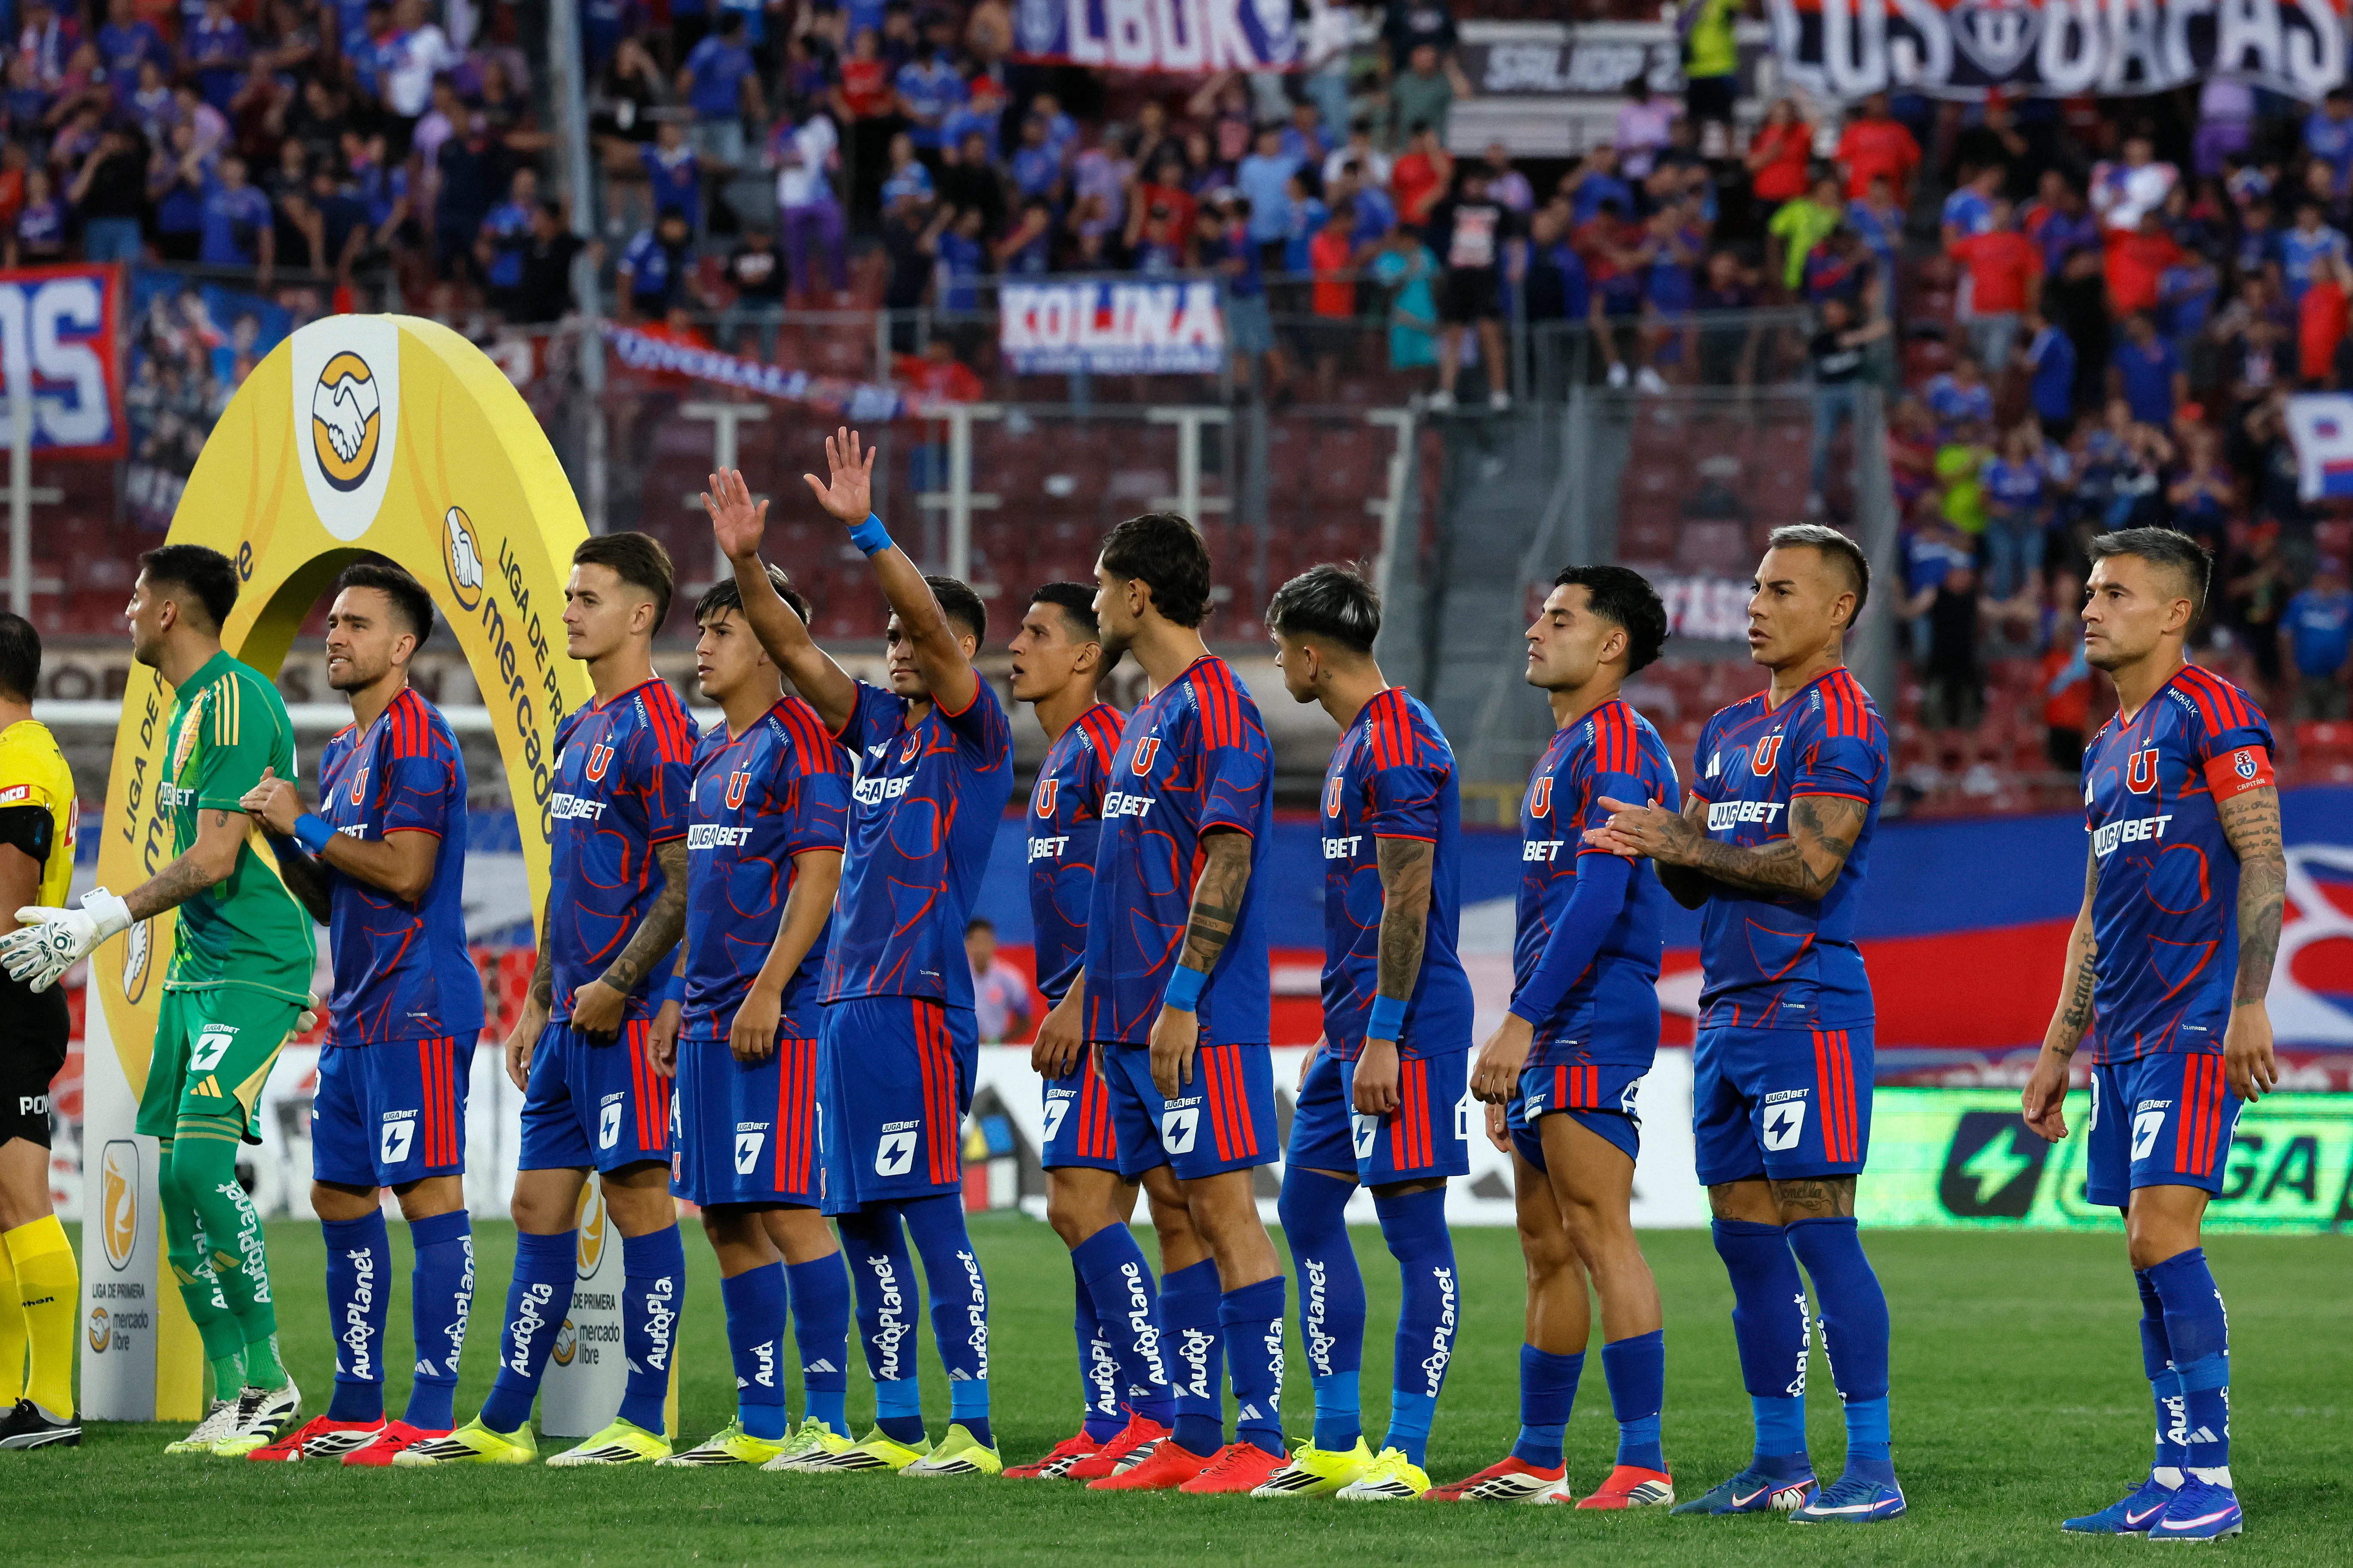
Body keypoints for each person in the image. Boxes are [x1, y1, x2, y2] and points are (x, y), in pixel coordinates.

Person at [701, 436, 1012, 1478]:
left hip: (918, 1003)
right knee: (862, 1223)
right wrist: (747, 561)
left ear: (957, 647)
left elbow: (923, 614)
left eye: (912, 636)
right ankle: (897, 1424)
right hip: (843, 1004)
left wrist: (868, 530)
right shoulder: (875, 727)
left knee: (927, 1214)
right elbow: (793, 650)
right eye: (886, 637)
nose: (896, 647)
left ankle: (972, 1427)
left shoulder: (974, 736)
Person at [1587, 525, 1902, 1524]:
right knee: (1744, 1244)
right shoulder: (1726, 728)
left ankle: (1871, 1468)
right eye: (1756, 588)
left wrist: (1686, 841)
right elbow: (1691, 880)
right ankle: (1777, 1461)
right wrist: (1656, 837)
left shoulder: (1842, 721)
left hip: (1806, 1003)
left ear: (1839, 609)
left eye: (1781, 590)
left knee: (1821, 1231)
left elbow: (1808, 867)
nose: (1756, 606)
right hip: (1724, 1009)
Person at [5, 546, 317, 1456]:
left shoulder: (235, 700)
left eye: (137, 597)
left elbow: (218, 858)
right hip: (197, 963)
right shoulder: (185, 709)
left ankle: (271, 1381)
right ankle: (230, 1392)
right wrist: (134, 918)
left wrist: (104, 918)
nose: (127, 612)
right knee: (174, 1187)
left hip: (255, 961)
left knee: (199, 1172)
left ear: (172, 610)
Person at [397, 534, 695, 1468]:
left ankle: (642, 1422)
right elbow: (566, 881)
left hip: (626, 1017)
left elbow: (685, 884)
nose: (568, 611)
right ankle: (503, 1423)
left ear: (640, 615)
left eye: (588, 598)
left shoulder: (662, 728)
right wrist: (537, 1000)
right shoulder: (579, 728)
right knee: (535, 1206)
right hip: (567, 1015)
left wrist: (619, 986)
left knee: (640, 1205)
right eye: (568, 596)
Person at [2021, 529, 2281, 1544]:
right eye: (2089, 591)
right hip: (2121, 1037)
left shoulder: (2210, 710)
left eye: (2115, 593)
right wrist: (2058, 1047)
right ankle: (2171, 1474)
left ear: (2175, 613)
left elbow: (2262, 859)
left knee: (2160, 1234)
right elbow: (2092, 913)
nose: (2089, 608)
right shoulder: (2103, 747)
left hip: (2193, 1017)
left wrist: (2249, 1002)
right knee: (2140, 1252)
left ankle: (2209, 1480)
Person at [1433, 566, 1677, 1507]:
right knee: (1544, 1244)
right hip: (1551, 1027)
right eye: (1540, 613)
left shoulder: (1615, 741)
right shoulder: (1568, 747)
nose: (1536, 629)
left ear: (1612, 644)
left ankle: (1643, 1465)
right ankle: (1538, 1461)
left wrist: (1522, 1022)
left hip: (1592, 1017)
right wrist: (1523, 1044)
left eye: (1561, 618)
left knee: (1599, 1231)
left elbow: (1603, 895)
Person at [233, 566, 480, 1465]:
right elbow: (335, 897)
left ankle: (433, 1415)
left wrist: (305, 824)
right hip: (359, 1007)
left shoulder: (419, 738)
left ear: (403, 646)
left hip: (420, 1001)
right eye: (333, 621)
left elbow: (408, 874)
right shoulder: (343, 749)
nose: (334, 635)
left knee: (427, 1196)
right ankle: (355, 1406)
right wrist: (281, 835)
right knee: (337, 1191)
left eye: (356, 623)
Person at [1077, 512, 1289, 1495]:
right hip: (1128, 1023)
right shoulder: (1150, 711)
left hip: (1195, 1019)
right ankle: (1195, 1433)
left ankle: (1263, 1436)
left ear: (1137, 594)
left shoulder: (1219, 708)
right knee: (1173, 1214)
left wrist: (1184, 997)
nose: (1092, 601)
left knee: (1224, 1211)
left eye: (1099, 584)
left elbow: (1228, 860)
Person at [1253, 566, 1472, 1503]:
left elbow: (1407, 899)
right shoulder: (1357, 742)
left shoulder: (1399, 740)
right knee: (1306, 1212)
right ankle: (1338, 1440)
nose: (1277, 666)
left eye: (1279, 651)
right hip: (1351, 1028)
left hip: (1408, 1027)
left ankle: (1406, 1452)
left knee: (1412, 1231)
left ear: (1311, 655)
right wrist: (1336, 1029)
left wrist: (1382, 1032)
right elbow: (1360, 909)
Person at [652, 569, 855, 1469]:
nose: (701, 646)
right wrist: (674, 992)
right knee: (725, 1217)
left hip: (779, 1017)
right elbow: (700, 891)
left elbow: (819, 876)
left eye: (722, 631)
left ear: (772, 646)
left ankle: (828, 1421)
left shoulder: (805, 741)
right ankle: (761, 1419)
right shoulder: (708, 754)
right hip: (705, 1017)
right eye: (701, 630)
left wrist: (769, 988)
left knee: (787, 1208)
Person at [1003, 584, 1194, 1482]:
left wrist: (1079, 998)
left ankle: (1155, 1413)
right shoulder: (1061, 755)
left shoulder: (1110, 744)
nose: (1015, 646)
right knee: (1091, 1214)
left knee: (1085, 1209)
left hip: (1109, 1016)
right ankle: (1107, 1419)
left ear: (1086, 656)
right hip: (1085, 1013)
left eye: (1036, 632)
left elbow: (1148, 883)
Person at [0, 614, 78, 1449]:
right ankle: (8, 1397)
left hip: (10, 992)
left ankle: (50, 1402)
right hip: (16, 989)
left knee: (20, 1193)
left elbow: (11, 889)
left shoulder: (19, 760)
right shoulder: (26, 753)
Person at [1427, 167, 1516, 411]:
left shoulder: (1498, 209)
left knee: (1490, 333)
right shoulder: (1452, 206)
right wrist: (1442, 187)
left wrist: (1516, 265)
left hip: (1485, 278)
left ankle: (1499, 392)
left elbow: (1515, 237)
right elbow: (1423, 212)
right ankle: (1446, 391)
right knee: (1453, 335)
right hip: (1458, 278)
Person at [2284, 558, 2353, 720]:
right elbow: (2285, 635)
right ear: (2316, 578)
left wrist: (2349, 667)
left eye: (2331, 577)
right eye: (2323, 576)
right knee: (2301, 722)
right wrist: (2289, 666)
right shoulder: (2301, 602)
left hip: (2336, 678)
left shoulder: (2348, 604)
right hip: (2305, 676)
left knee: (2336, 723)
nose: (2326, 582)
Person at [966, 920, 1031, 1044]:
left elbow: (1025, 1020)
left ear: (994, 944)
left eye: (985, 942)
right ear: (967, 945)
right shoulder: (957, 979)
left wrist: (998, 1041)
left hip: (997, 1049)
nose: (980, 948)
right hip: (964, 1049)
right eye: (976, 942)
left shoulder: (1010, 978)